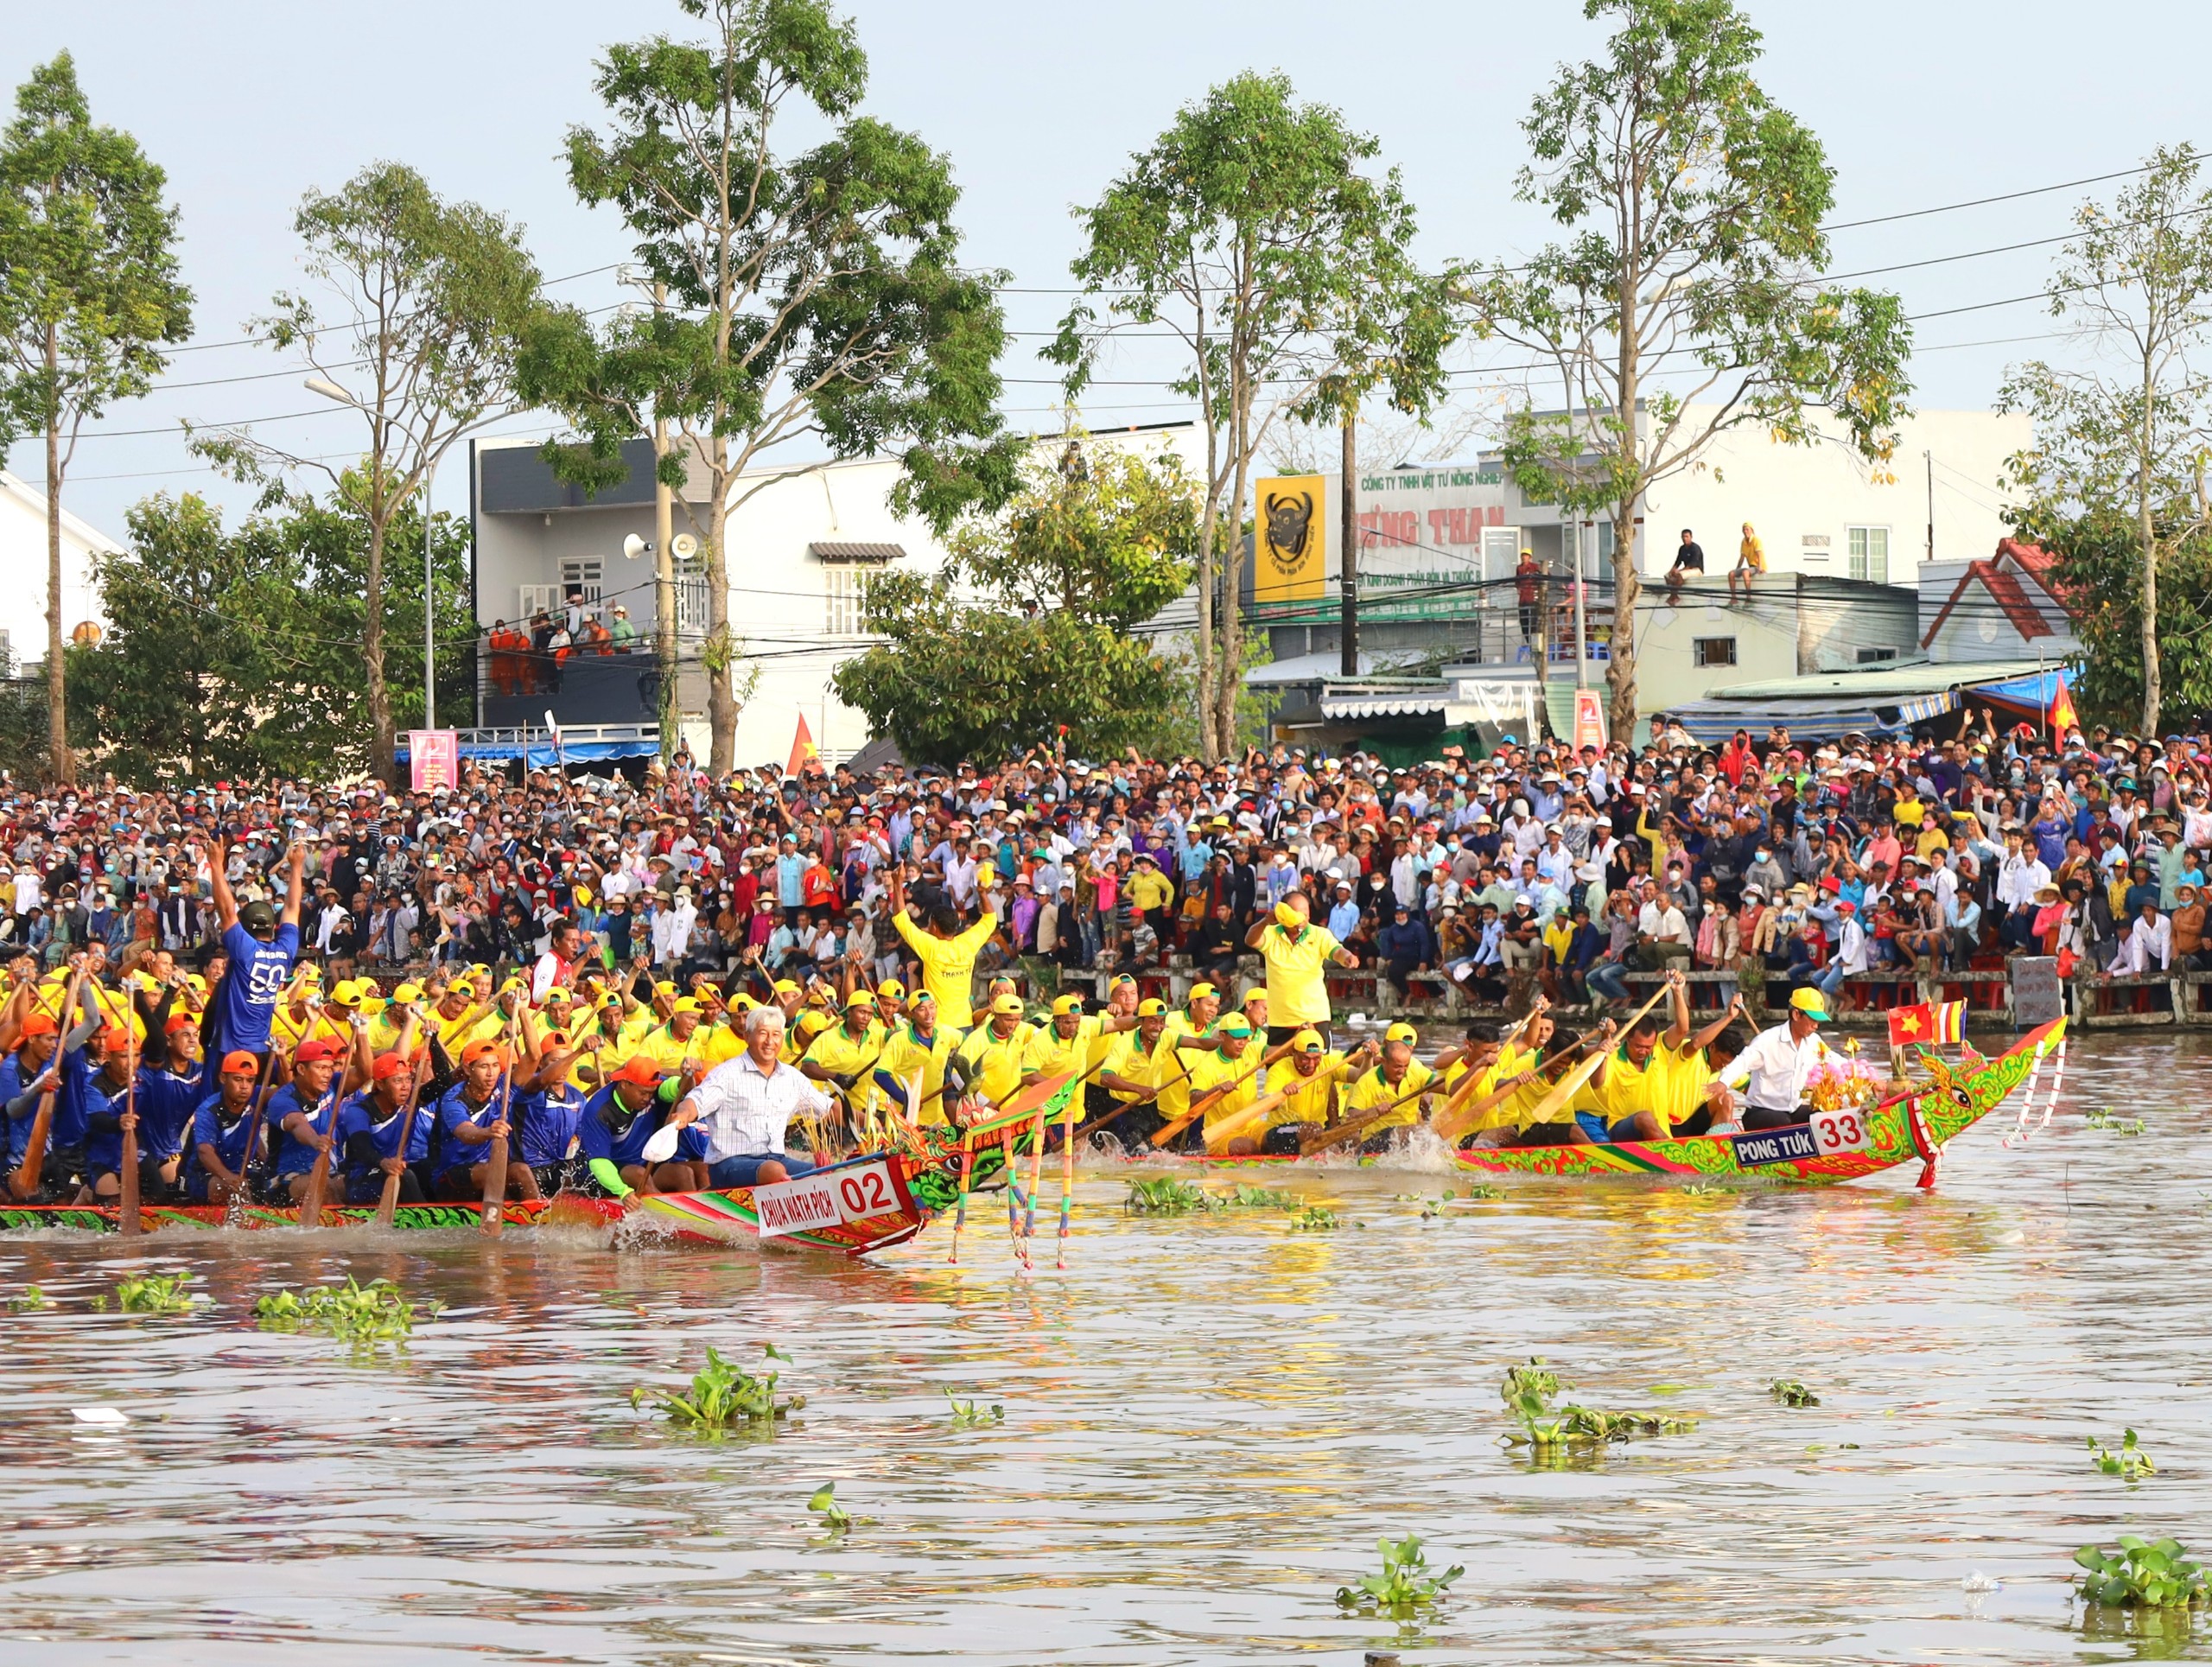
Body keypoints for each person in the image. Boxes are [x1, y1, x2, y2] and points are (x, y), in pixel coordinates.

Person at [672, 1004, 835, 1190]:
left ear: (782, 1038)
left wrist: (866, 1122)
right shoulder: (727, 1073)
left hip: (775, 1159)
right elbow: (696, 1101)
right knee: (774, 1170)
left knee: (825, 1172)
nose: (769, 1042)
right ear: (747, 1036)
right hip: (729, 1165)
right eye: (763, 1033)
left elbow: (827, 1108)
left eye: (775, 1035)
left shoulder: (792, 1077)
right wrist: (683, 1115)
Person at [199, 837, 306, 1064]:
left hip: (229, 1046)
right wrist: (297, 867)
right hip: (260, 1045)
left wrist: (217, 865)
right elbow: (292, 907)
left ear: (245, 928)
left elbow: (227, 909)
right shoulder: (285, 949)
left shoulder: (244, 949)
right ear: (273, 927)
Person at [888, 867, 999, 1030]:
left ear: (934, 926)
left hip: (937, 1026)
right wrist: (982, 894)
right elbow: (990, 919)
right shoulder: (968, 943)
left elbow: (900, 919)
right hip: (965, 1024)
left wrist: (897, 884)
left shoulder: (930, 947)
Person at [1245, 891, 1358, 1047]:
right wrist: (1265, 922)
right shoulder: (1271, 934)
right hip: (1281, 1020)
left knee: (1317, 1066)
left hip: (1315, 1017)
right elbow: (1251, 940)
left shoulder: (1320, 934)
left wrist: (1347, 957)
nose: (1302, 919)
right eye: (1297, 914)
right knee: (1277, 1068)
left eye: (1306, 914)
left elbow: (1337, 950)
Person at [1716, 987, 1835, 1130]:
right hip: (1760, 1112)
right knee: (1781, 1122)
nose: (1816, 1026)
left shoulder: (1814, 1042)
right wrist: (1723, 1083)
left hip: (1792, 1110)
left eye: (1818, 1022)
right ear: (1796, 1015)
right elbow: (1742, 1062)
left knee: (1825, 1116)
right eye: (1812, 1020)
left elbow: (1835, 1062)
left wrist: (1866, 1077)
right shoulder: (1767, 1040)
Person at [1728, 522, 1765, 605]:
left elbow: (1760, 555)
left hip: (1757, 566)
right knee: (1731, 574)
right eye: (1744, 530)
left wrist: (1760, 568)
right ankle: (1734, 598)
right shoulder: (1744, 542)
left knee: (1745, 572)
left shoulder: (1756, 540)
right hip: (1750, 567)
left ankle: (1749, 597)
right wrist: (1737, 569)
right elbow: (1742, 558)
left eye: (1747, 529)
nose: (1745, 531)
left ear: (1752, 530)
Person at [1665, 527, 1704, 606]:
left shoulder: (1695, 548)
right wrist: (1672, 570)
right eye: (1683, 537)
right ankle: (1673, 593)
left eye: (1686, 537)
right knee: (1667, 575)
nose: (1684, 539)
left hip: (1696, 570)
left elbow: (1693, 564)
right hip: (1687, 570)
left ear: (1691, 537)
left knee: (1680, 575)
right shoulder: (1682, 548)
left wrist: (1679, 571)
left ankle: (1674, 596)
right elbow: (1678, 562)